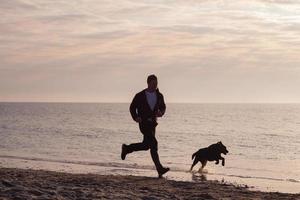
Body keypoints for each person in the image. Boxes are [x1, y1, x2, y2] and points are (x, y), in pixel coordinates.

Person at [121, 74, 169, 178]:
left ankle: (127, 148)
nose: (155, 86)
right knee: (154, 143)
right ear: (148, 83)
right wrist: (135, 117)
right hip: (143, 123)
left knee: (146, 145)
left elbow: (163, 107)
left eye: (156, 84)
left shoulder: (159, 95)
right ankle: (159, 168)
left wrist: (161, 112)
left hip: (153, 124)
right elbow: (132, 107)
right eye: (153, 83)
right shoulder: (140, 95)